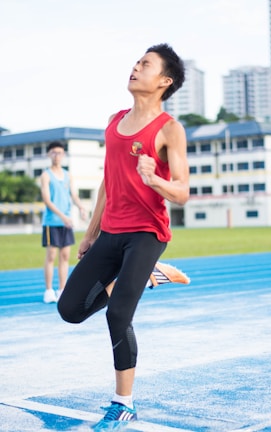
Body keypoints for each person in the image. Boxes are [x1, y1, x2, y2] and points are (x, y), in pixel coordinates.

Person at [57, 43, 189, 428]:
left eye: (144, 64)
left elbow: (182, 190)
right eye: (135, 62)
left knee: (118, 314)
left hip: (147, 233)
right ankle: (152, 273)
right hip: (110, 233)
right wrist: (90, 233)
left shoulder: (169, 130)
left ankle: (124, 403)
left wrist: (155, 179)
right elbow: (107, 182)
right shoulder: (114, 122)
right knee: (71, 310)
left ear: (164, 81)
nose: (135, 67)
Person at [41, 141, 86, 304]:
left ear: (63, 155)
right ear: (48, 154)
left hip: (66, 223)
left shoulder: (68, 175)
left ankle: (61, 290)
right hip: (52, 222)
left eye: (59, 153)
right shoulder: (45, 175)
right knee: (51, 256)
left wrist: (81, 207)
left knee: (65, 256)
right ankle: (48, 290)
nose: (57, 156)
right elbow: (47, 200)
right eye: (53, 152)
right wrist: (63, 217)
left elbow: (73, 195)